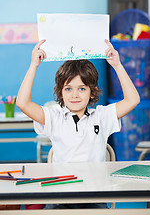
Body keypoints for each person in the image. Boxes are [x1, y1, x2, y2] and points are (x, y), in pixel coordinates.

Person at [16, 39, 140, 209]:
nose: (75, 95)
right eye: (68, 89)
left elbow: (133, 100)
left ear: (92, 92)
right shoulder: (54, 117)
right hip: (61, 198)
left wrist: (117, 65)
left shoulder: (101, 116)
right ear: (60, 92)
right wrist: (33, 66)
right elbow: (22, 103)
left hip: (94, 198)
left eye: (82, 88)